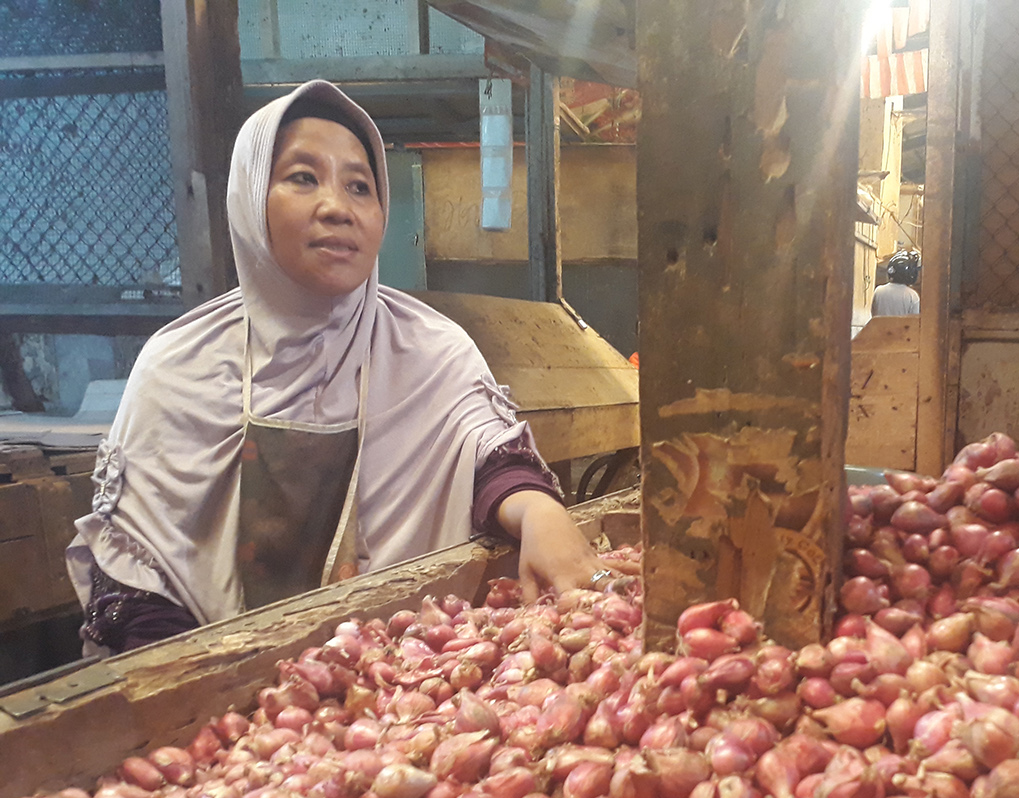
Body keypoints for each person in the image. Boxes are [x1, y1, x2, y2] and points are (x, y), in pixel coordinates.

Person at [67, 80, 612, 655]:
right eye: (303, 178)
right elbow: (138, 577)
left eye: (359, 186)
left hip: (401, 687)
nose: (337, 207)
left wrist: (541, 512)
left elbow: (486, 461)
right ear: (250, 199)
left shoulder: (428, 349)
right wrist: (205, 701)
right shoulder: (179, 366)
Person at [871, 250, 920, 316]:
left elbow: (873, 314)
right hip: (902, 326)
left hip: (879, 326)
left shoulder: (878, 291)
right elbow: (914, 322)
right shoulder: (912, 296)